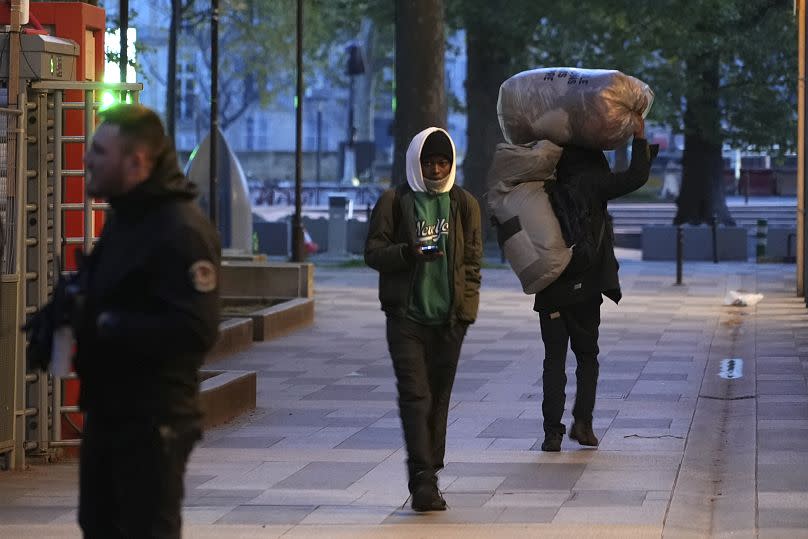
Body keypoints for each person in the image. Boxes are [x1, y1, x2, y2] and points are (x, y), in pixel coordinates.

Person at [26, 104, 221, 538]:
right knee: (99, 526)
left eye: (99, 151)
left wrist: (106, 322)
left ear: (136, 163)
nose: (85, 159)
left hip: (153, 421)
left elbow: (196, 329)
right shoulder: (127, 219)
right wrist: (63, 310)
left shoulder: (179, 229)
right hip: (111, 411)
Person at [365, 127, 482, 512]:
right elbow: (373, 252)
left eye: (442, 162)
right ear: (416, 162)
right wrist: (408, 253)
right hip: (406, 317)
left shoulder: (464, 204)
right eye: (428, 162)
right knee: (416, 397)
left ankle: (431, 468)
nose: (435, 169)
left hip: (449, 320)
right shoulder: (394, 201)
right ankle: (423, 481)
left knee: (438, 399)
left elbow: (472, 263)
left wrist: (466, 312)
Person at [536, 117, 656, 452]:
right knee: (587, 356)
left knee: (553, 360)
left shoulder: (542, 182)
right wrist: (639, 137)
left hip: (550, 286)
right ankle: (583, 423)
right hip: (587, 283)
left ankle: (551, 433)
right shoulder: (594, 181)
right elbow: (636, 176)